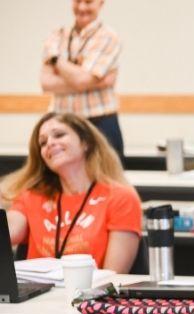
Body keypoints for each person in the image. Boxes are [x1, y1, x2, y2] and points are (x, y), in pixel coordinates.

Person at [2, 112, 141, 273]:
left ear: (86, 142)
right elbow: (9, 231)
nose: (50, 143)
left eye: (59, 135)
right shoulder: (31, 196)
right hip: (38, 298)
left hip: (91, 296)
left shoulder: (121, 197)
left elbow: (114, 277)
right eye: (43, 142)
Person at [40, 0, 124, 159]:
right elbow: (45, 83)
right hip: (61, 124)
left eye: (88, 2)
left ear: (101, 3)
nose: (82, 7)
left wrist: (56, 60)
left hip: (100, 124)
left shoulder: (108, 37)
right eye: (78, 1)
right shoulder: (57, 35)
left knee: (106, 182)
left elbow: (82, 81)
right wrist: (96, 81)